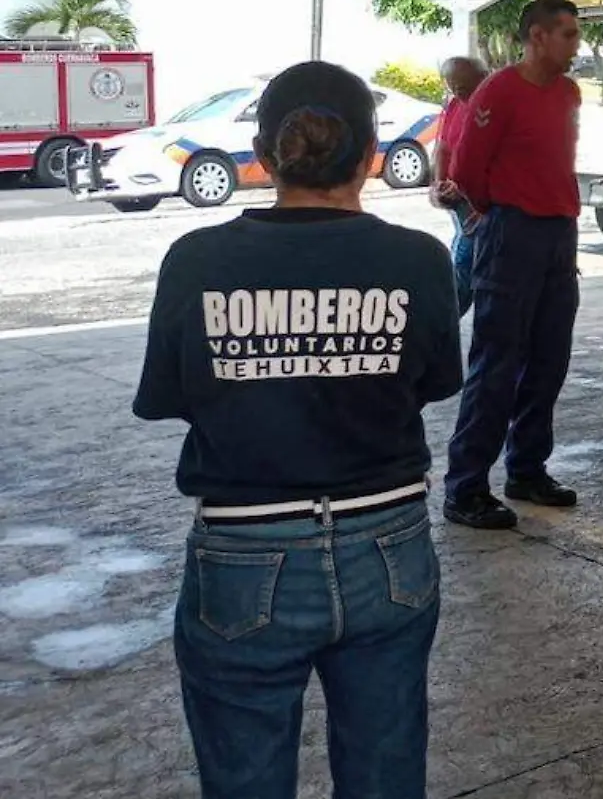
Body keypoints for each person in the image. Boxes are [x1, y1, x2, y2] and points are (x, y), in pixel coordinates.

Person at [135, 61, 462, 798]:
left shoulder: (197, 261)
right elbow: (435, 383)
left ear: (262, 147)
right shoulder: (417, 259)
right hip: (389, 547)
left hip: (243, 549)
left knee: (245, 773)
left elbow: (170, 396)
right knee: (384, 771)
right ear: (372, 149)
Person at [443, 0, 585, 530]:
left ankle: (527, 469)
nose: (576, 45)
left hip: (558, 234)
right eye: (568, 35)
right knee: (497, 363)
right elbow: (467, 167)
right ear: (537, 37)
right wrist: (491, 213)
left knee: (548, 360)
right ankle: (465, 487)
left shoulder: (568, 92)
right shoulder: (498, 90)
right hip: (511, 232)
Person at [432, 55, 486, 316]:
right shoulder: (455, 105)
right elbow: (442, 147)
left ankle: (440, 326)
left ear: (482, 79)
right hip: (460, 201)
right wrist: (438, 184)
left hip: (481, 204)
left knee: (465, 267)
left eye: (463, 86)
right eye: (452, 85)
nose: (457, 91)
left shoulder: (493, 106)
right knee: (462, 261)